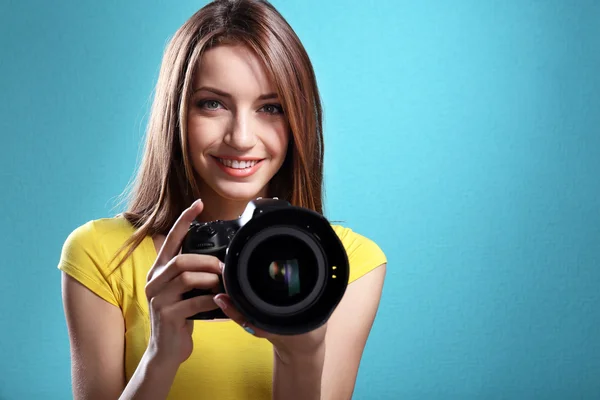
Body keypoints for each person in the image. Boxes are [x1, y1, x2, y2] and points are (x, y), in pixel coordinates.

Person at [57, 0, 387, 399]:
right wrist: (161, 356)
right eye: (212, 103)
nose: (242, 137)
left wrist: (302, 356)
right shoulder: (101, 254)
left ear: (298, 118)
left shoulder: (349, 263)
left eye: (271, 107)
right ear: (176, 112)